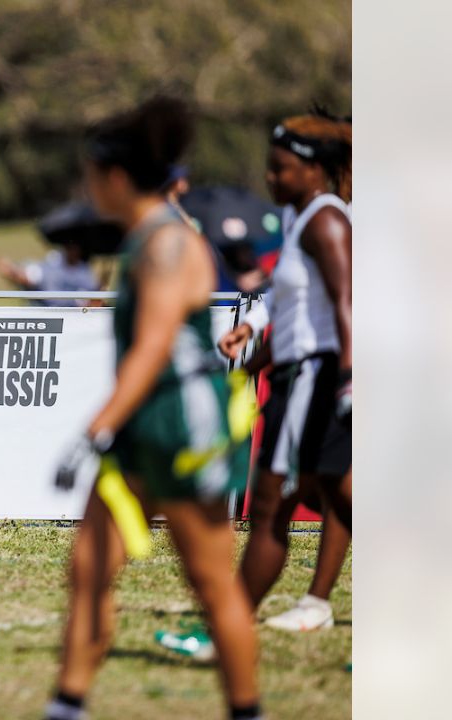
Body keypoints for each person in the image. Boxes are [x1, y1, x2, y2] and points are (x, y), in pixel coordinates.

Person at [48, 97, 262, 720]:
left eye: (90, 175)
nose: (86, 188)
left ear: (115, 178)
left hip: (182, 429)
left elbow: (152, 348)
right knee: (88, 571)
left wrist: (94, 430)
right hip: (141, 427)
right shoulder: (143, 238)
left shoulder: (168, 242)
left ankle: (248, 710)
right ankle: (67, 704)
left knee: (211, 584)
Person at [160, 109, 352, 653]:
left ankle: (224, 633)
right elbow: (296, 307)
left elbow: (346, 305)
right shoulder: (302, 219)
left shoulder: (327, 221)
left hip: (316, 380)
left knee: (271, 507)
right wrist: (253, 353)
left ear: (314, 170)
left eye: (281, 169)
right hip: (298, 377)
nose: (270, 178)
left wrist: (350, 380)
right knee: (334, 500)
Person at [0, 241, 99, 307]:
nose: (72, 251)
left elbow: (92, 294)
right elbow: (30, 276)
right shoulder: (51, 264)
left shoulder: (83, 269)